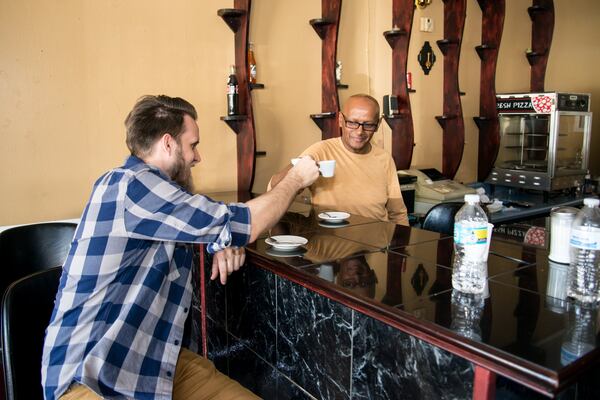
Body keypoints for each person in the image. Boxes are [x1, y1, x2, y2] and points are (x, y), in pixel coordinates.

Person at [41, 95, 319, 400]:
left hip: (153, 360)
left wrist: (223, 239)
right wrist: (295, 179)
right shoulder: (131, 185)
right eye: (193, 145)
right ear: (168, 144)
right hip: (92, 377)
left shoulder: (153, 192)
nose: (197, 157)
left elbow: (204, 217)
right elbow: (246, 223)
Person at [269, 94, 409, 225]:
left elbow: (397, 213)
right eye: (352, 123)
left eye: (368, 125)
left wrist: (403, 249)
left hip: (376, 245)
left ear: (377, 125)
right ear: (341, 120)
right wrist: (296, 174)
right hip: (330, 242)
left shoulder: (384, 159)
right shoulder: (321, 151)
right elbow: (274, 187)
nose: (359, 132)